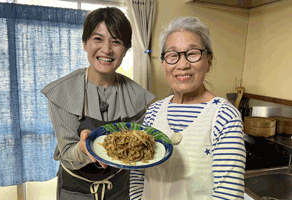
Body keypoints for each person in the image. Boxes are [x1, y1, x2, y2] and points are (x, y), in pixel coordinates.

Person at [41, 7, 154, 200]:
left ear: (126, 49)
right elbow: (67, 153)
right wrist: (83, 149)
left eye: (116, 41)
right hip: (75, 190)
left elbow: (137, 148)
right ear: (85, 43)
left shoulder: (137, 96)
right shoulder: (62, 91)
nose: (107, 49)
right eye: (98, 39)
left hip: (121, 188)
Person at [130, 16, 246, 200]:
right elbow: (138, 175)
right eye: (172, 55)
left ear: (208, 61)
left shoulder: (224, 116)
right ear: (163, 64)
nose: (182, 65)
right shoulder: (153, 112)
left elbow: (229, 195)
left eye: (192, 53)